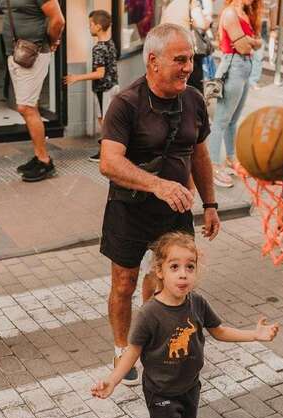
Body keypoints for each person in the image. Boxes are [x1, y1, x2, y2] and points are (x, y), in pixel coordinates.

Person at [91, 232, 279, 418]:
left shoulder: (197, 303)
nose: (183, 274)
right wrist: (112, 380)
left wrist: (255, 335)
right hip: (160, 392)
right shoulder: (150, 313)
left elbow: (219, 331)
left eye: (189, 266)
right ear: (160, 271)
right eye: (174, 266)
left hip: (190, 387)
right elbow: (133, 351)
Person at [99, 23, 221, 387]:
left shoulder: (193, 99)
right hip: (129, 210)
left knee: (166, 281)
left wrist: (210, 203)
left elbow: (200, 154)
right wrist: (157, 185)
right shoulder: (126, 103)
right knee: (124, 283)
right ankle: (122, 348)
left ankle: (154, 337)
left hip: (175, 211)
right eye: (180, 60)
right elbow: (109, 162)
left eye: (191, 59)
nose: (188, 67)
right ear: (153, 61)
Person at [3, 0, 65, 183]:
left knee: (26, 107)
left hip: (32, 53)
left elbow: (58, 20)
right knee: (30, 106)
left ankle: (45, 161)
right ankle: (39, 156)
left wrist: (52, 41)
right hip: (17, 53)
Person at [208, 0, 262, 188]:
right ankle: (213, 166)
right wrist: (251, 42)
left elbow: (258, 43)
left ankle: (231, 158)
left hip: (244, 67)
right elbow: (244, 48)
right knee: (221, 120)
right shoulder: (231, 13)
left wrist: (249, 41)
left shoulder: (245, 12)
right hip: (233, 67)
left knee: (232, 120)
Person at [62, 10, 118, 162]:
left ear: (98, 27)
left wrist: (76, 77)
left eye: (91, 24)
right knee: (107, 120)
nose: (89, 27)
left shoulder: (98, 48)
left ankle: (106, 153)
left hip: (103, 90)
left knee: (105, 122)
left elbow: (100, 73)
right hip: (113, 86)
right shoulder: (111, 43)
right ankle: (108, 151)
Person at [160, 0, 212, 93]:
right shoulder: (191, 2)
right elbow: (202, 24)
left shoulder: (171, 5)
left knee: (176, 85)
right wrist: (208, 20)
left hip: (170, 51)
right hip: (187, 51)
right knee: (193, 88)